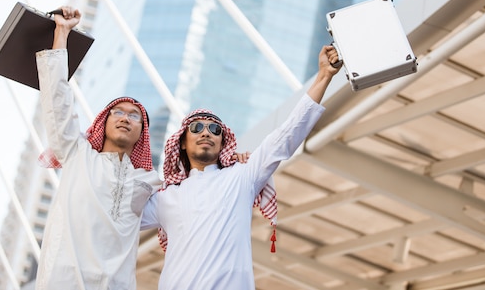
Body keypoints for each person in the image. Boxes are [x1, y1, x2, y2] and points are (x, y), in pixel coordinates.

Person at [140, 44, 341, 290]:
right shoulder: (164, 198)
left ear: (223, 141)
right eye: (197, 128)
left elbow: (286, 135)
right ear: (181, 141)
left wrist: (324, 76)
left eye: (215, 129)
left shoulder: (242, 176)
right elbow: (115, 216)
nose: (206, 133)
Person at [34, 6, 162, 290]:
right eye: (118, 112)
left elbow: (191, 198)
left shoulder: (149, 182)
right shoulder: (77, 153)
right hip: (62, 280)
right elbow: (57, 100)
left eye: (134, 115)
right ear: (103, 122)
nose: (125, 118)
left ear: (143, 132)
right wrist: (62, 32)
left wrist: (235, 162)